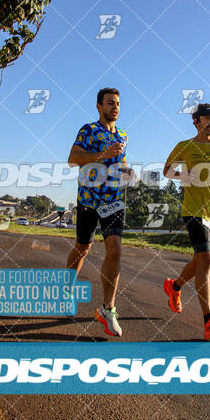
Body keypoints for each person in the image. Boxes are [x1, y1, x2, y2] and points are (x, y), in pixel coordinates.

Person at [163, 103, 210, 340]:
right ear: (196, 122)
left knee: (199, 262)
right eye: (207, 117)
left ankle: (174, 286)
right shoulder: (185, 147)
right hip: (193, 210)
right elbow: (167, 170)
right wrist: (185, 175)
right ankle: (209, 321)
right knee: (207, 259)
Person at [66, 88, 133, 337]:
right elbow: (73, 159)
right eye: (109, 103)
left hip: (113, 200)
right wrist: (102, 154)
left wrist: (127, 170)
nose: (114, 107)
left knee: (115, 250)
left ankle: (108, 309)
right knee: (83, 248)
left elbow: (120, 160)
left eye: (117, 103)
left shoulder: (124, 135)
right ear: (99, 106)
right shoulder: (88, 130)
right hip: (89, 198)